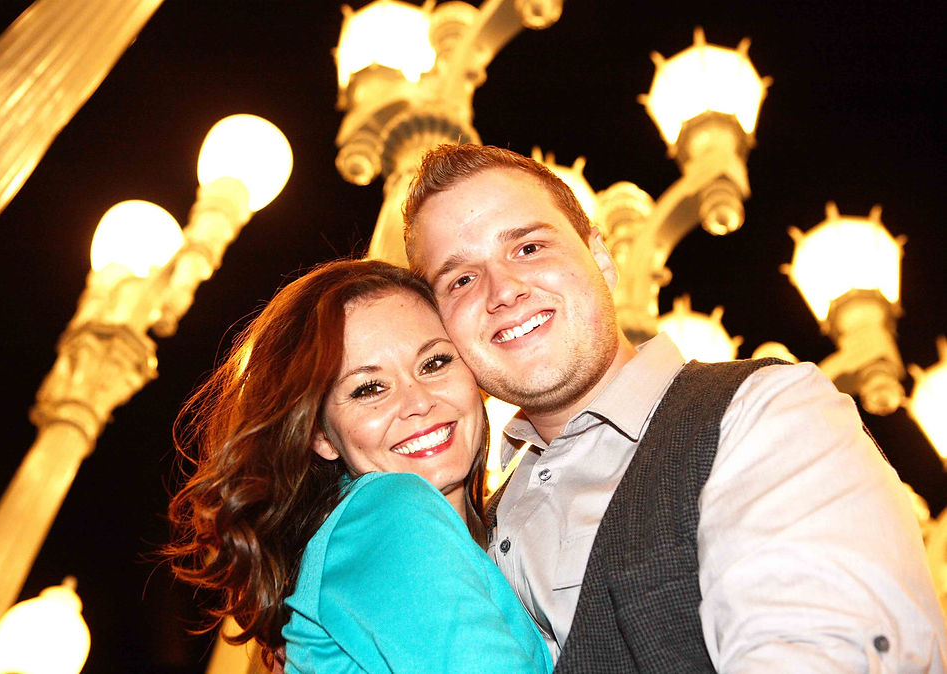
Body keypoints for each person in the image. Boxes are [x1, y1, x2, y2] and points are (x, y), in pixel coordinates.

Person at [402, 143, 947, 672]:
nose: (503, 290)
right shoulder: (473, 529)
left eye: (528, 248)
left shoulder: (761, 411)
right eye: (462, 279)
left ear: (601, 259)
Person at [165, 259, 552, 673]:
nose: (418, 401)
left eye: (434, 363)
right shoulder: (391, 511)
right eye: (369, 388)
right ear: (321, 436)